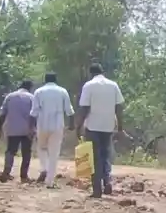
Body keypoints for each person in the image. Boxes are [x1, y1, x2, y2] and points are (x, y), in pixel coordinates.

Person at [76, 62, 123, 198]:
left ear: (91, 73)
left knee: (95, 157)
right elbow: (119, 107)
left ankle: (97, 189)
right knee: (105, 154)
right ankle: (107, 181)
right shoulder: (113, 85)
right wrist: (120, 127)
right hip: (108, 126)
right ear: (103, 71)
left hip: (92, 126)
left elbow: (84, 108)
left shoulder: (89, 86)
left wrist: (78, 126)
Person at [30, 72, 74, 187]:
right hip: (57, 126)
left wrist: (32, 126)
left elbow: (34, 112)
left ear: (45, 80)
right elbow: (69, 110)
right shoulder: (62, 91)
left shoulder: (38, 92)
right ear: (56, 80)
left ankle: (44, 168)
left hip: (42, 124)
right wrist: (72, 124)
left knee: (41, 148)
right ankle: (49, 181)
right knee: (54, 153)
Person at [0, 80, 36, 183]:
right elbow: (34, 115)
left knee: (10, 151)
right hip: (27, 129)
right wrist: (33, 129)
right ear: (30, 87)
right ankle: (24, 176)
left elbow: (3, 114)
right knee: (26, 152)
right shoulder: (31, 97)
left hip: (12, 129)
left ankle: (6, 172)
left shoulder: (10, 97)